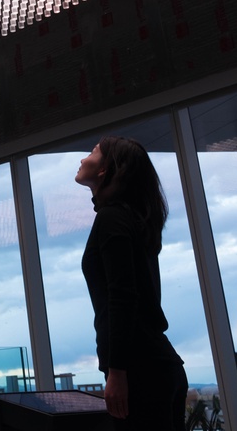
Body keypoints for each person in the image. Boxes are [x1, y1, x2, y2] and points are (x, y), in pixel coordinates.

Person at [76, 136, 188, 430]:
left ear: (105, 170)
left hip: (141, 371)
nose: (83, 158)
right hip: (158, 365)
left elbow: (123, 296)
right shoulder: (129, 218)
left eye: (92, 152)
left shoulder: (112, 218)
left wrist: (117, 371)